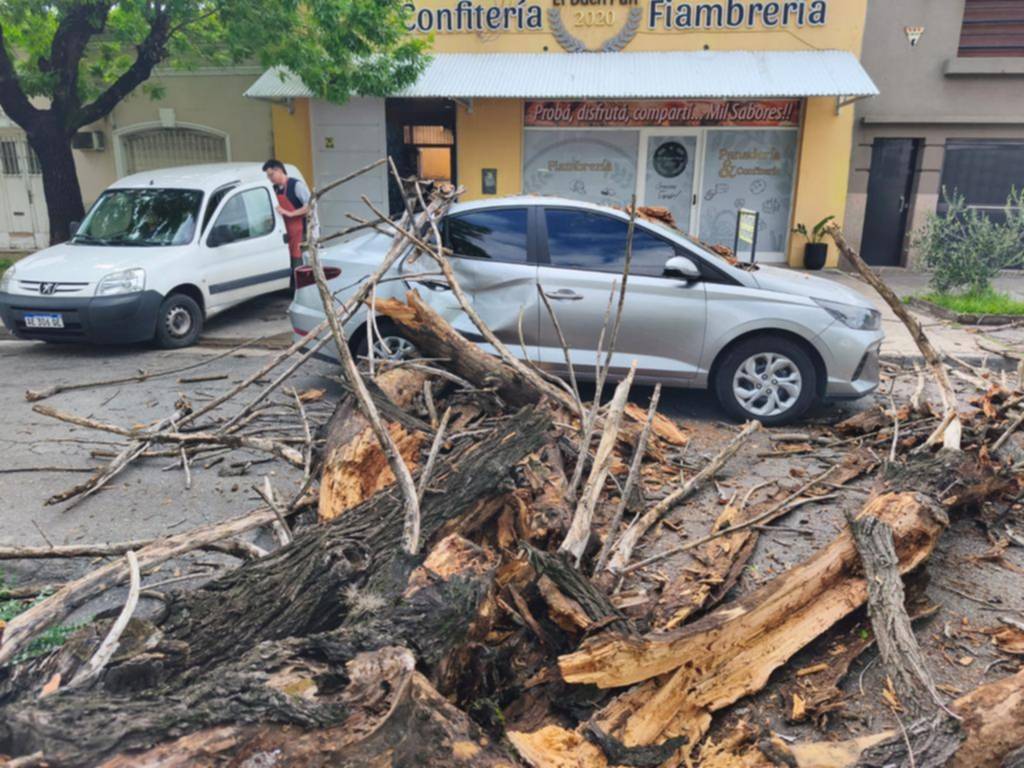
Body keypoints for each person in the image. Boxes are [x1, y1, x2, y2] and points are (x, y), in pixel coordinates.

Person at [262, 159, 311, 285]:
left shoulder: (297, 185)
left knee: (300, 264)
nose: (270, 178)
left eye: (271, 175)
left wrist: (290, 213)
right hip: (286, 233)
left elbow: (310, 205)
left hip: (302, 233)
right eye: (268, 176)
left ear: (279, 170)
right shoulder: (275, 189)